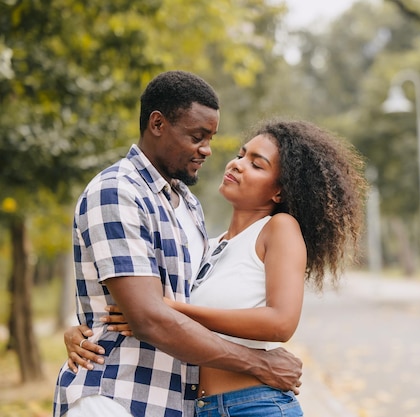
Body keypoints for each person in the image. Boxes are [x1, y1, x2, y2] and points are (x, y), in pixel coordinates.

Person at [65, 118, 369, 417]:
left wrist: (171, 310)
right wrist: (84, 331)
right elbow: (156, 313)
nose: (237, 164)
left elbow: (281, 323)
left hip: (256, 405)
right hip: (198, 408)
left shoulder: (278, 229)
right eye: (240, 155)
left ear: (279, 192)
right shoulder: (204, 245)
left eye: (256, 164)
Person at [53, 71, 302, 417]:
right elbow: (148, 317)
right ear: (157, 124)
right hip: (117, 397)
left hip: (177, 404)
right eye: (197, 137)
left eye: (211, 138)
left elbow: (170, 305)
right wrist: (260, 365)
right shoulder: (118, 191)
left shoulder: (188, 206)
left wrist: (161, 309)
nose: (209, 150)